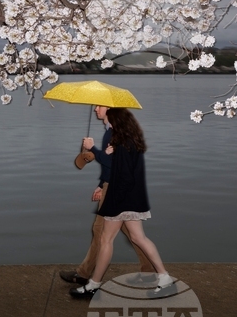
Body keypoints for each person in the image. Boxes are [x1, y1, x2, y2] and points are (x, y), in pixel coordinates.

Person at [70, 107, 173, 298]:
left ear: (116, 120)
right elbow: (119, 165)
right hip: (133, 197)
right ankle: (164, 277)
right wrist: (107, 154)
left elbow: (120, 171)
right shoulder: (129, 140)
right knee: (137, 238)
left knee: (105, 239)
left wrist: (94, 149)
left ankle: (93, 285)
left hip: (121, 198)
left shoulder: (120, 142)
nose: (97, 111)